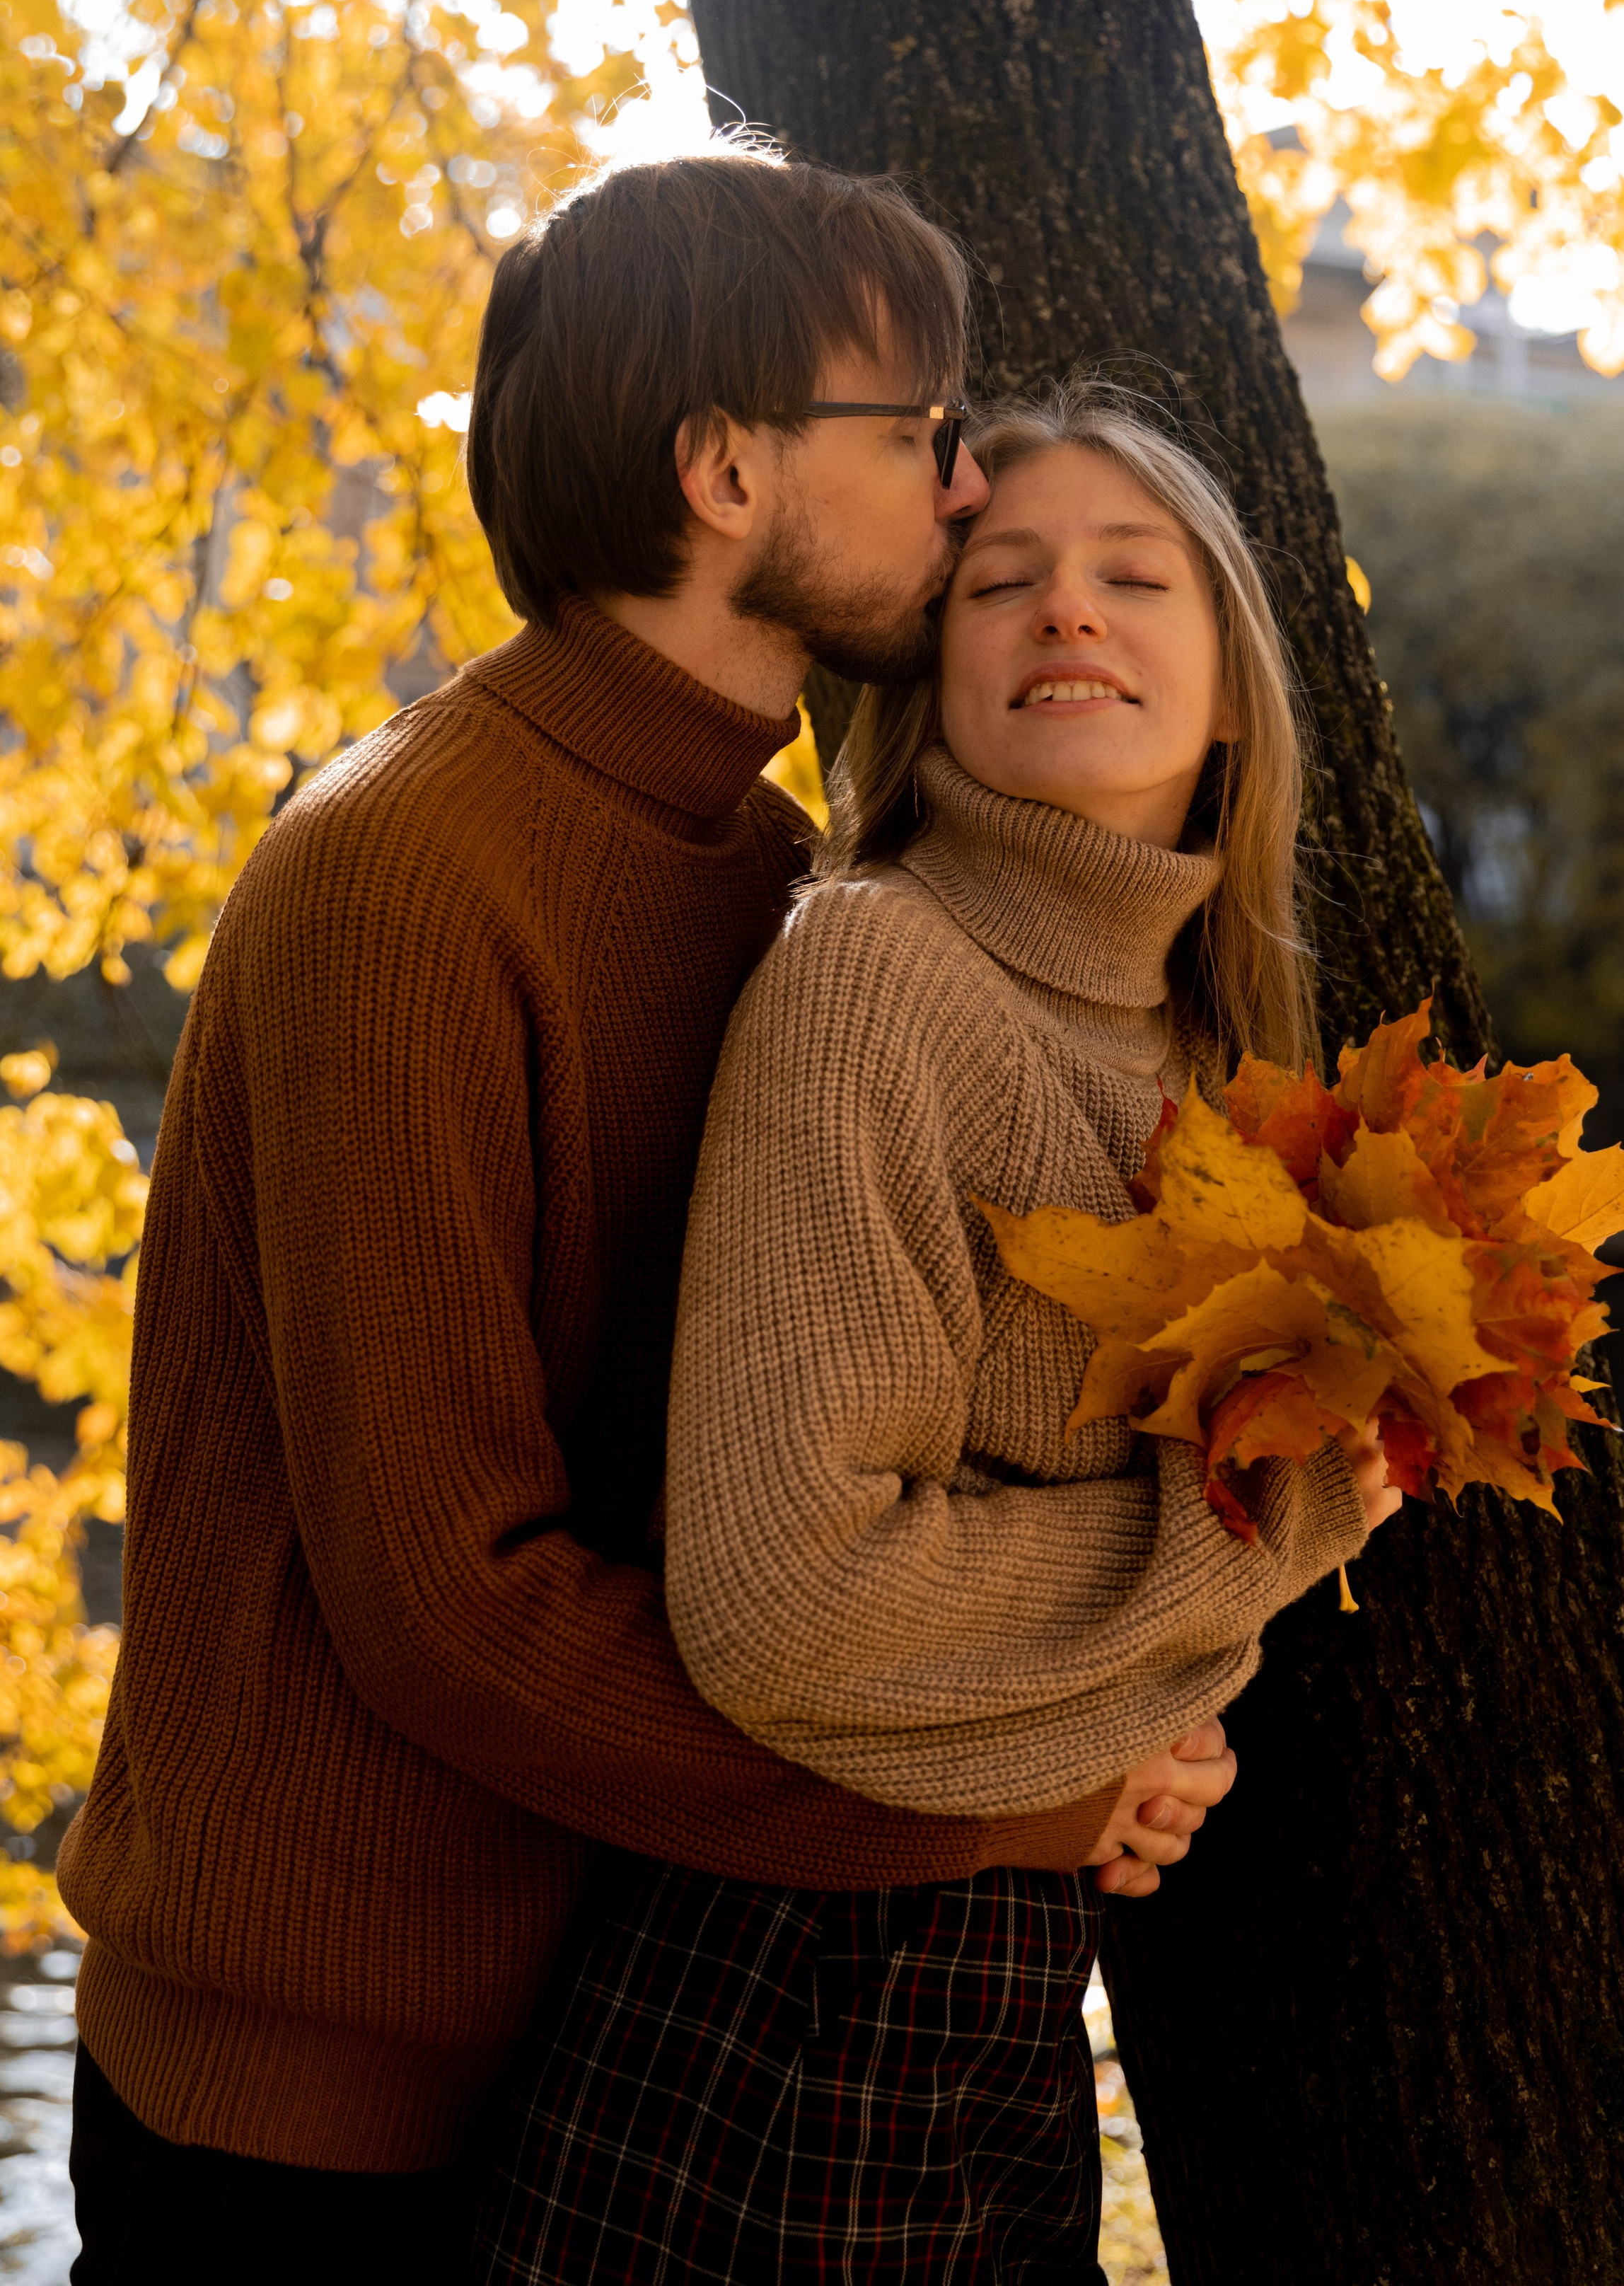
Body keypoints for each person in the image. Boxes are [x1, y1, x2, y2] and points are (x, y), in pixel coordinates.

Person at [58, 158, 1232, 2283]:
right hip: (316, 2103)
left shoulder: (777, 884)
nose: (969, 486)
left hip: (609, 2049)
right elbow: (451, 1604)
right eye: (920, 430)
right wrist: (1009, 1800)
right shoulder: (403, 876)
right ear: (725, 473)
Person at [472, 382, 1400, 2282]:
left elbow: (1124, 1591)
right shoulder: (877, 978)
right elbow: (788, 1595)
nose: (1069, 607)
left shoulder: (1214, 1061)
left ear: (1236, 688)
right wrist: (1256, 1543)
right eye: (1001, 582)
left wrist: (1152, 1737)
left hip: (1003, 2010)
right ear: (931, 673)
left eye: (1135, 573)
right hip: (781, 2014)